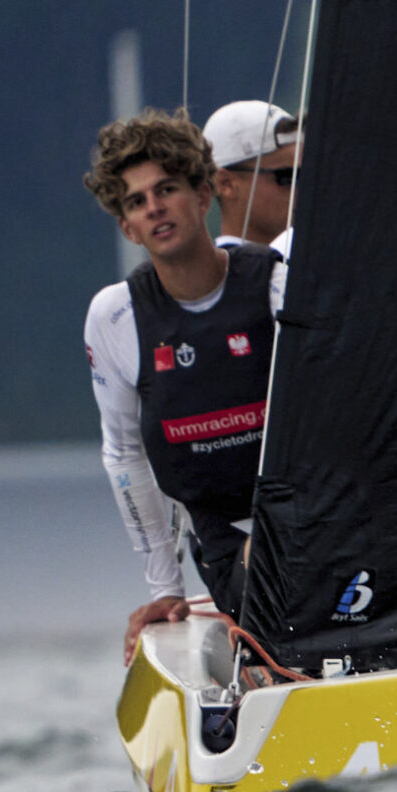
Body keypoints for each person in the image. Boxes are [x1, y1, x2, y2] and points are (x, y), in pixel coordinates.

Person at [83, 111, 287, 654]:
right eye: (136, 202)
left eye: (166, 189)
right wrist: (165, 589)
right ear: (128, 228)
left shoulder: (274, 281)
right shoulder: (115, 317)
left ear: (202, 197)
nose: (154, 207)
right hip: (226, 537)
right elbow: (123, 452)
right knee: (277, 579)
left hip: (310, 516)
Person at [202, 99, 300, 251]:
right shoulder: (222, 268)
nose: (300, 187)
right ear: (226, 184)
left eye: (305, 174)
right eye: (287, 176)